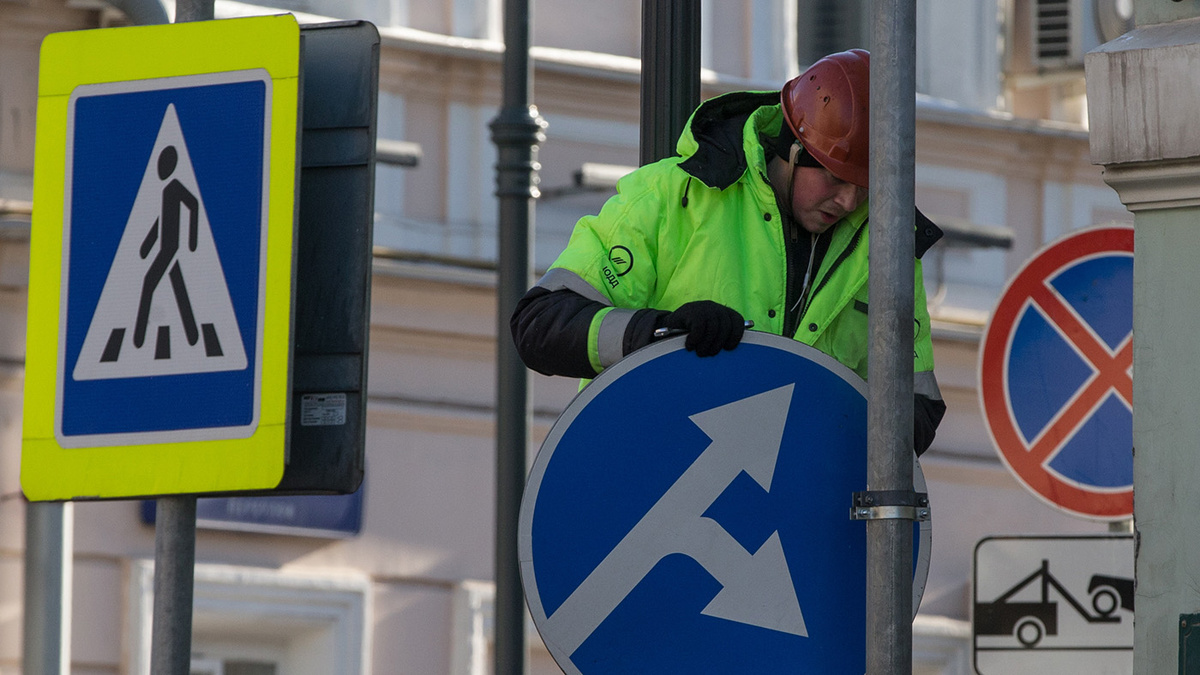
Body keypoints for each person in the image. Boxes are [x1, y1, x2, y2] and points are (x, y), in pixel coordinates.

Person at [510, 49, 946, 454]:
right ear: (793, 151)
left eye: (865, 187)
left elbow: (919, 408)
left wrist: (816, 414)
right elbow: (541, 324)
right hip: (645, 478)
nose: (849, 201)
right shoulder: (671, 196)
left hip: (794, 503)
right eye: (835, 178)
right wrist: (660, 334)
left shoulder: (890, 247)